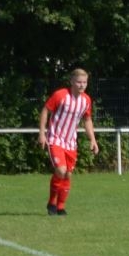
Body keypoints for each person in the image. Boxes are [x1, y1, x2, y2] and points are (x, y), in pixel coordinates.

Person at [37, 68, 99, 216]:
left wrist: (93, 139)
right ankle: (52, 203)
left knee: (68, 175)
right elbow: (45, 110)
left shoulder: (86, 100)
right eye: (79, 82)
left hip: (71, 142)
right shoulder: (60, 95)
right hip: (55, 138)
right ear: (71, 81)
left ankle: (61, 207)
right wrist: (42, 133)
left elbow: (87, 120)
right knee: (61, 170)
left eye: (84, 82)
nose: (82, 85)